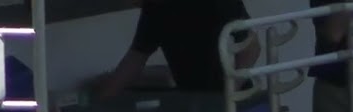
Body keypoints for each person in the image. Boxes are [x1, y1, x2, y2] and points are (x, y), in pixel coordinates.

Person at [95, 0, 261, 99]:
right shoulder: (154, 9)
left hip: (236, 99)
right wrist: (102, 100)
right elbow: (135, 58)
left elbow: (251, 48)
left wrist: (228, 94)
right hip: (192, 100)